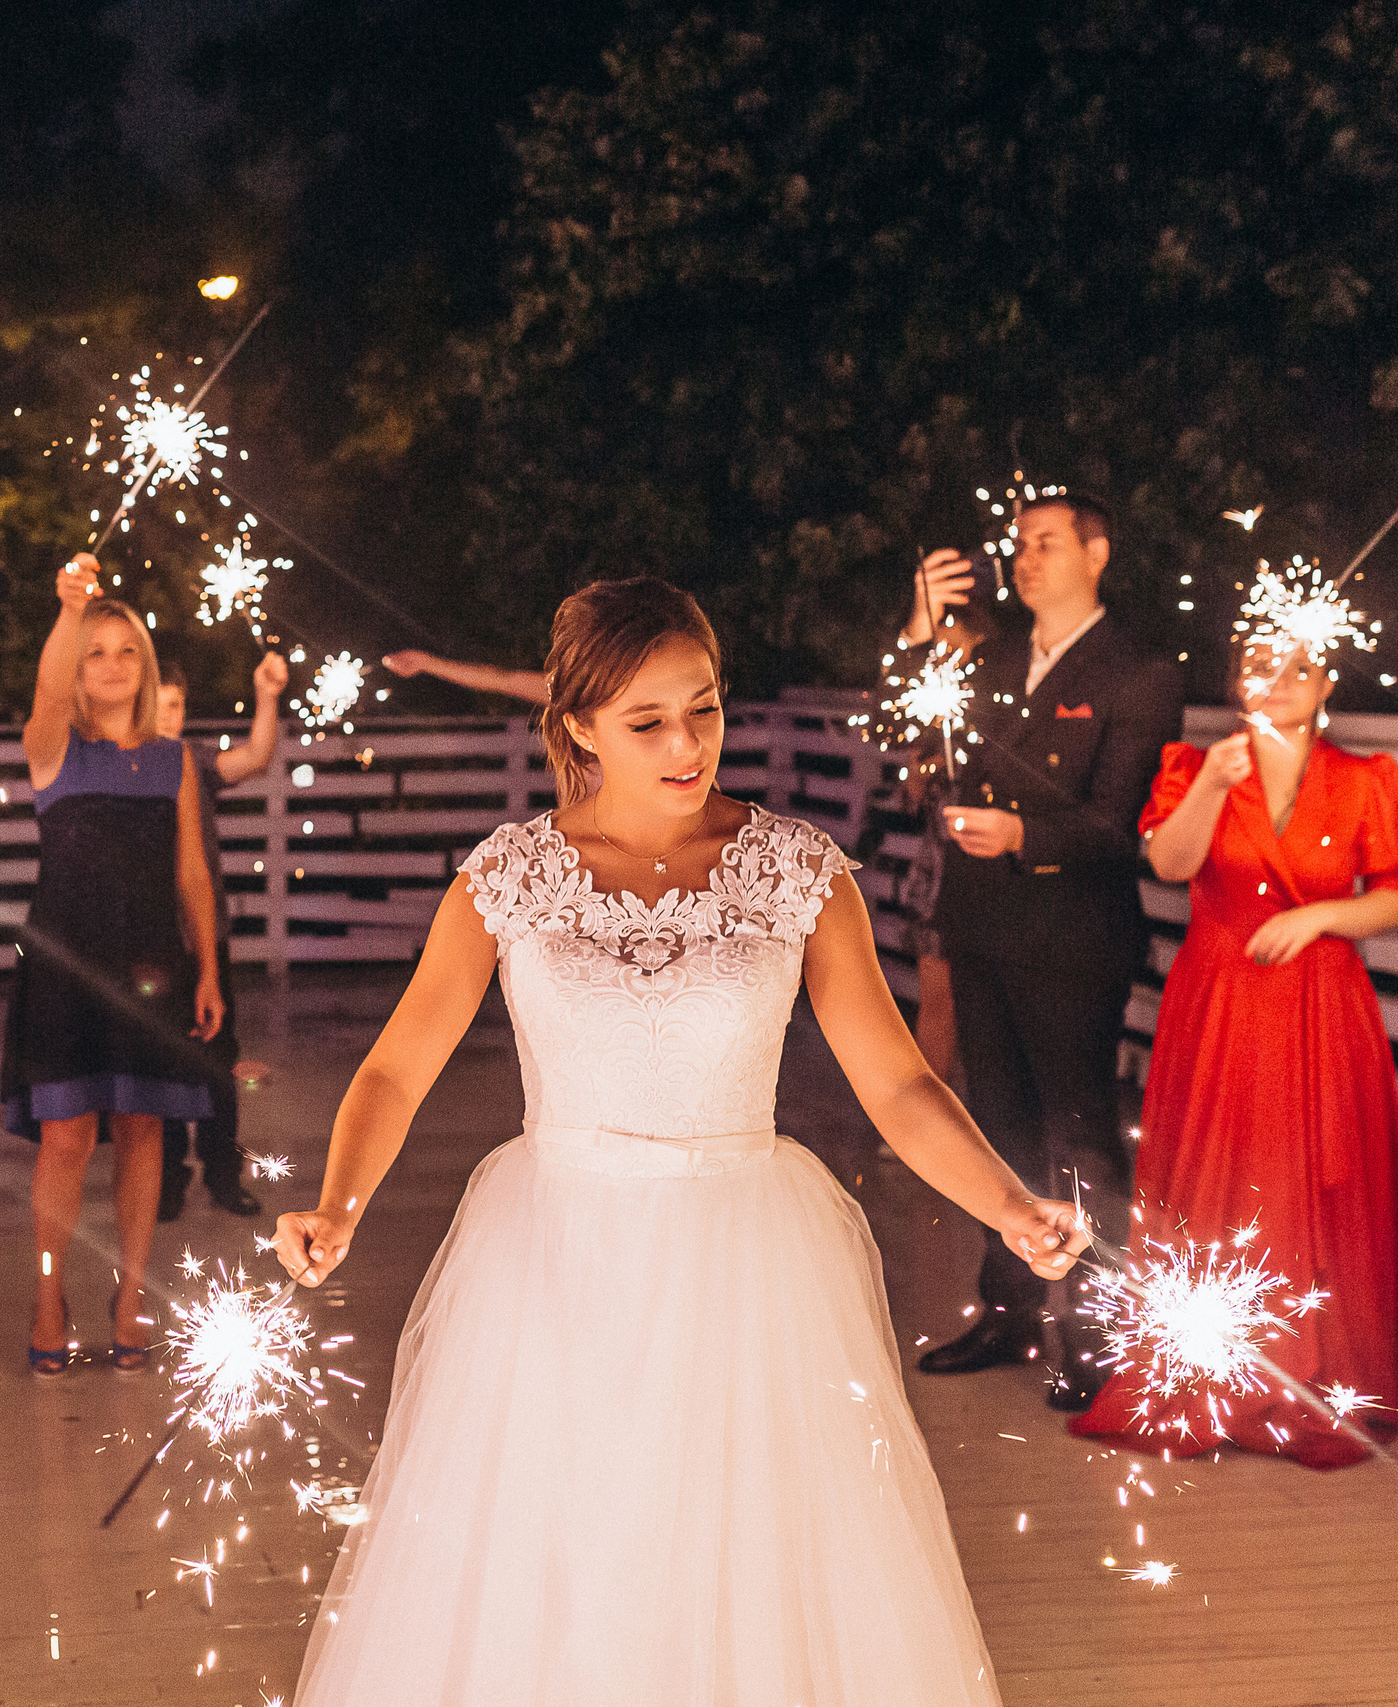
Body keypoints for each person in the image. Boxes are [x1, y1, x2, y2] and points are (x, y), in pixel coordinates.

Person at [273, 577, 1085, 1705]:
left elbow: (898, 1082)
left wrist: (1009, 1203)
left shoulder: (797, 871)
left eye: (703, 708)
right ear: (578, 728)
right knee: (559, 1556)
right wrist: (338, 1204)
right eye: (647, 721)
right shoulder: (506, 877)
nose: (687, 744)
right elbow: (395, 1068)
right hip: (552, 1263)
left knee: (744, 1560)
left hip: (745, 1264)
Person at [1072, 640, 1398, 1465]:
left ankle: (1315, 1370)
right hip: (1220, 998)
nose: (1280, 681)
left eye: (1300, 668)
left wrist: (1319, 917)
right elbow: (1169, 863)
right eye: (1261, 666)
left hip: (1322, 1005)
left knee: (1313, 1175)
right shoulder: (1194, 764)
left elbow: (1397, 898)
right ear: (1236, 681)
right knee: (1219, 1173)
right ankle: (1211, 1370)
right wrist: (1210, 785)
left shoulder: (1366, 777)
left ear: (1326, 683)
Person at [903, 494, 1182, 1411]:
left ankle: (1097, 1330)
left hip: (1074, 938)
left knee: (1080, 1135)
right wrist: (916, 635)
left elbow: (1121, 824)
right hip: (981, 924)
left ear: (1097, 553)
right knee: (1000, 1128)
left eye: (1046, 542)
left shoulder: (1139, 670)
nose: (1023, 558)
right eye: (1018, 543)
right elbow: (903, 735)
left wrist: (1024, 832)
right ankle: (1009, 1309)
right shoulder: (989, 657)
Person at [2, 554, 223, 1376]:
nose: (112, 664)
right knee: (66, 1135)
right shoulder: (53, 748)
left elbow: (191, 871)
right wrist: (70, 610)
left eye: (127, 650)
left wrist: (207, 967)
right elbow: (45, 691)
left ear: (146, 665)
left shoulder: (174, 759)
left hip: (150, 965)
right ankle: (49, 1296)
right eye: (96, 651)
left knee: (142, 1126)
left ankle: (131, 1297)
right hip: (64, 963)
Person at [155, 650, 287, 1220]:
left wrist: (266, 696)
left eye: (177, 705)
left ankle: (222, 1177)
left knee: (217, 1063)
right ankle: (165, 1182)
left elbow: (256, 756)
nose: (169, 717)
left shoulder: (192, 759)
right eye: (158, 705)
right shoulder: (122, 768)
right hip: (149, 942)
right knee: (157, 1064)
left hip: (205, 936)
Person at [892, 602, 991, 1089]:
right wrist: (918, 772)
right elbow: (912, 802)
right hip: (937, 877)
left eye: (954, 635)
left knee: (983, 1012)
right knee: (937, 1004)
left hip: (988, 879)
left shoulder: (992, 707)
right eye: (939, 640)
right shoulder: (934, 713)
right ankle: (931, 1113)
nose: (944, 648)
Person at [381, 648, 548, 704]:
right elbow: (507, 681)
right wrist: (427, 663)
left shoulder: (562, 692)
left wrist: (428, 664)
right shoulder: (560, 689)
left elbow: (508, 682)